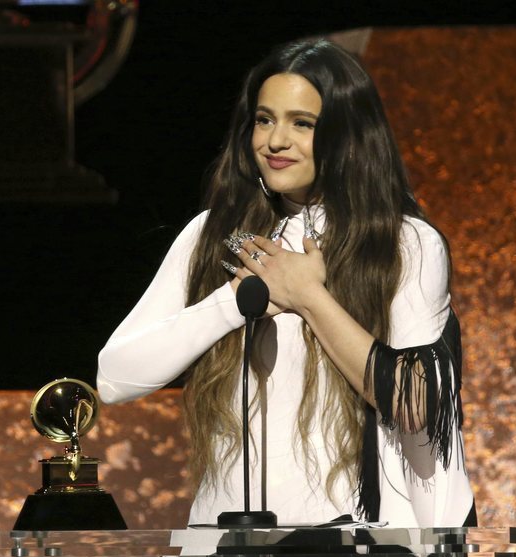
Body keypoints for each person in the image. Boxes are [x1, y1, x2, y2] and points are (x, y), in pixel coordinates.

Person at [97, 38, 475, 529]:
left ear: (348, 135)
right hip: (227, 546)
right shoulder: (213, 236)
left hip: (365, 550)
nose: (275, 141)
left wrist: (309, 297)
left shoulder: (404, 242)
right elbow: (114, 377)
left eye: (303, 123)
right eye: (264, 119)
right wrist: (230, 305)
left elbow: (417, 406)